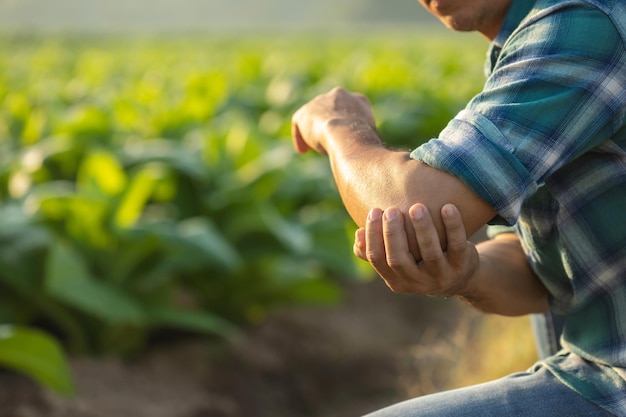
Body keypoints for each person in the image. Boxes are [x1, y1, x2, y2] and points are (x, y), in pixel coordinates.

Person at [290, 0, 626, 415]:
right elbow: (529, 267)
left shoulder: (588, 23)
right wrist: (465, 272)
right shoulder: (525, 42)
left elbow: (408, 210)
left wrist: (339, 126)